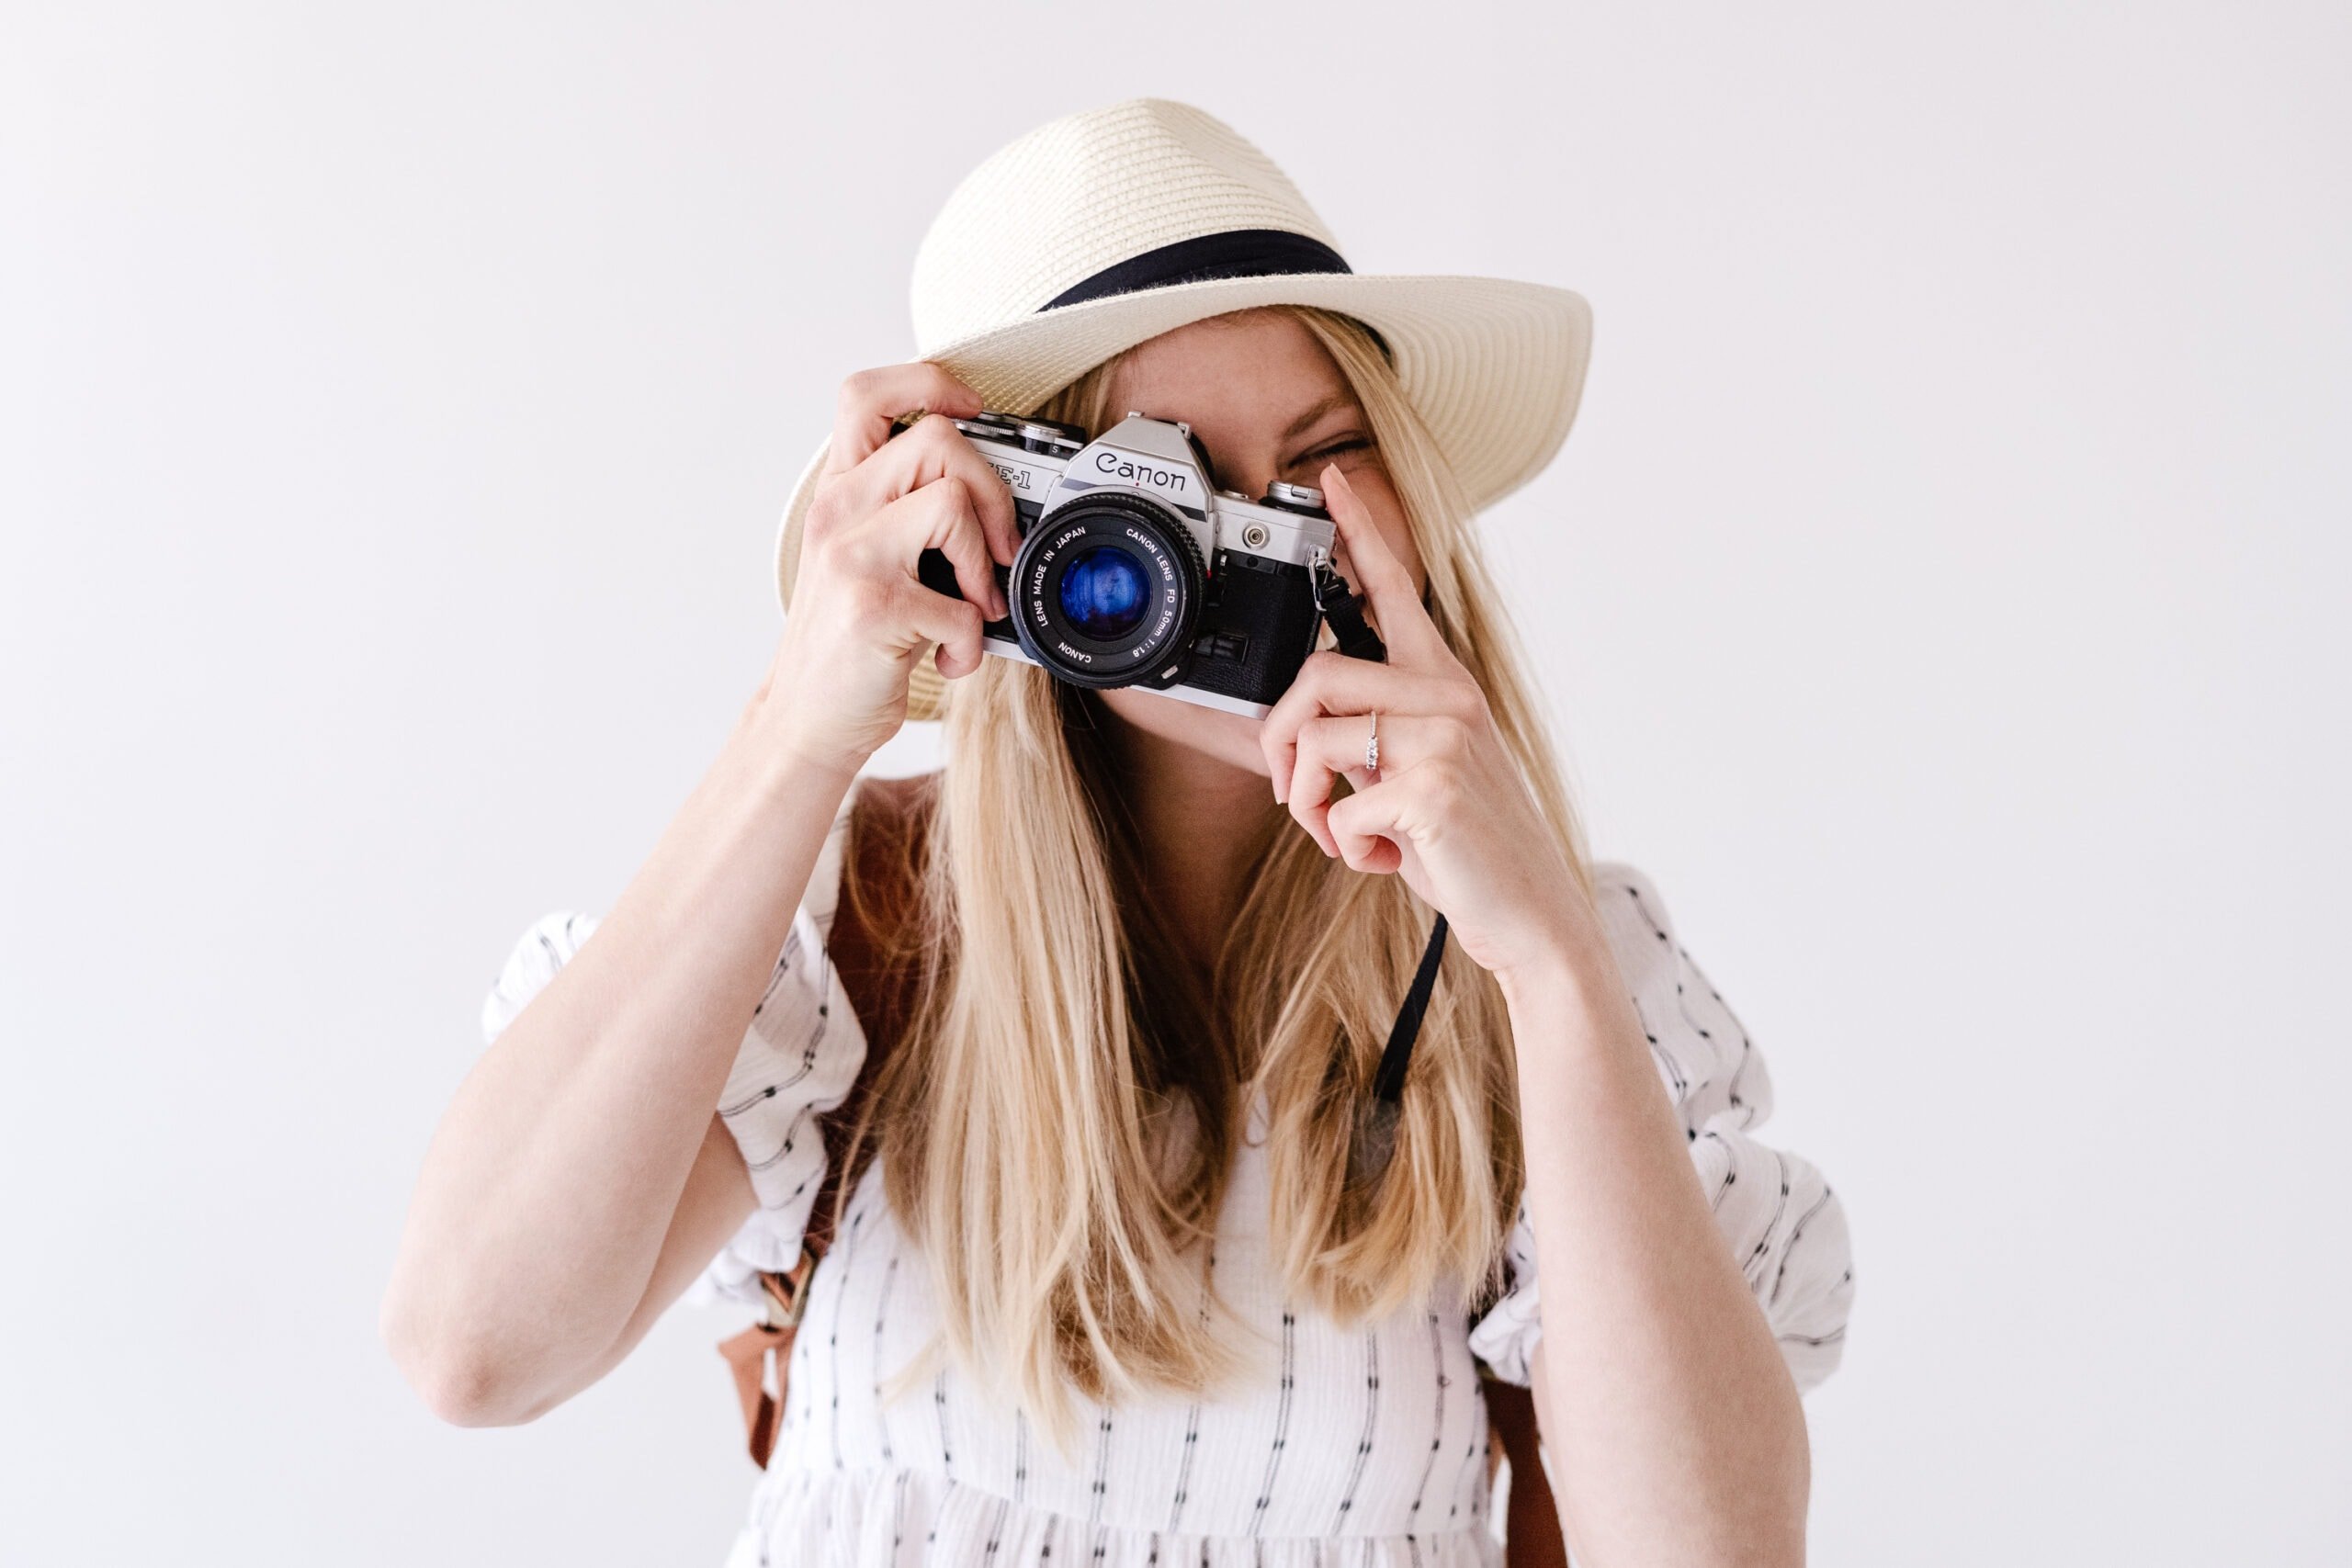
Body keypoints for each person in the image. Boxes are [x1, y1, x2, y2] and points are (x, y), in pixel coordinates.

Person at [382, 97, 1855, 1568]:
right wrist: (801, 725)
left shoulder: (1546, 977)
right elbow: (473, 1352)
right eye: (1164, 481)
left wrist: (1545, 966)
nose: (1239, 543)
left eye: (1316, 462)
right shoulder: (864, 933)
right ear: (1015, 532)